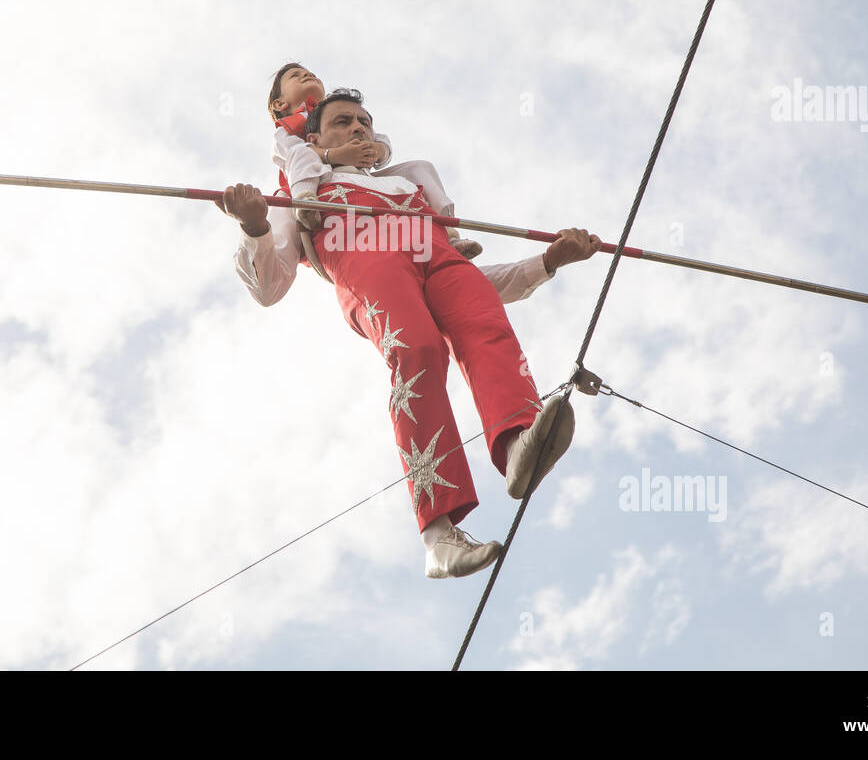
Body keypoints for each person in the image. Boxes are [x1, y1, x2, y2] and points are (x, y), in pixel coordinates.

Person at [223, 88, 601, 579]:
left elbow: (474, 289)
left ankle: (516, 444)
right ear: (314, 138)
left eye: (363, 121)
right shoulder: (301, 192)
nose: (358, 128)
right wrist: (254, 226)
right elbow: (270, 286)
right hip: (366, 258)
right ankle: (438, 532)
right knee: (418, 349)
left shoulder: (407, 185)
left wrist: (547, 261)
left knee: (483, 321)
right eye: (342, 121)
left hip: (435, 256)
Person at [266, 63, 481, 257]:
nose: (307, 74)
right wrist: (336, 155)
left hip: (361, 181)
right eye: (296, 75)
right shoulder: (283, 132)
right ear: (279, 103)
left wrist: (375, 151)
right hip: (317, 184)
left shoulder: (344, 114)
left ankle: (448, 232)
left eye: (311, 73)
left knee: (420, 168)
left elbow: (383, 144)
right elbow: (294, 155)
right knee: (301, 153)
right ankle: (306, 204)